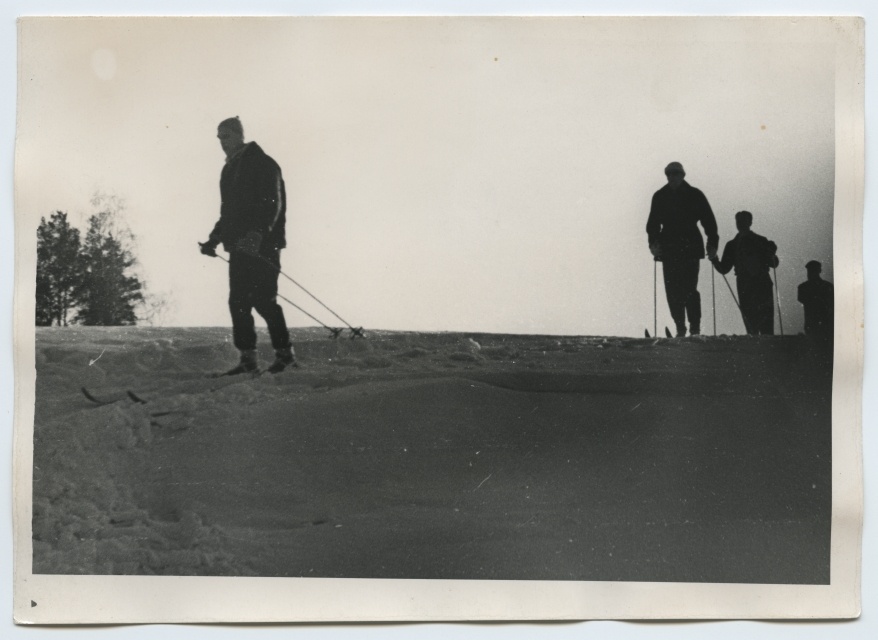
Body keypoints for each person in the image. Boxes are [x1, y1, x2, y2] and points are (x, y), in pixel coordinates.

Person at [199, 117, 296, 375]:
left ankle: (285, 355)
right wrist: (214, 239)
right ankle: (247, 359)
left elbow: (271, 204)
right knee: (238, 301)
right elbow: (228, 212)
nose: (222, 142)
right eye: (219, 137)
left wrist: (257, 234)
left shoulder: (262, 163)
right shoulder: (230, 169)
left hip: (262, 245)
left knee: (264, 301)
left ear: (239, 135)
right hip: (239, 247)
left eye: (226, 136)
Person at [646, 162, 719, 337]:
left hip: (689, 247)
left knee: (689, 289)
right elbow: (652, 224)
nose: (671, 177)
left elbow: (709, 221)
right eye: (669, 174)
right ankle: (680, 326)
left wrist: (712, 243)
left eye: (675, 174)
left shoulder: (695, 195)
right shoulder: (660, 196)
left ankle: (694, 326)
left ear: (682, 175)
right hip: (669, 248)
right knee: (672, 290)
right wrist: (653, 243)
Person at [710, 210, 779, 335]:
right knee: (755, 323)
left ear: (750, 222)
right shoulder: (752, 242)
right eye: (739, 220)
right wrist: (714, 259)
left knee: (760, 323)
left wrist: (714, 260)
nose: (740, 223)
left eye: (743, 220)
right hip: (752, 283)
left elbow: (774, 263)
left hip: (753, 284)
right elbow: (724, 268)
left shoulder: (736, 244)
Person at [797, 260, 834, 339]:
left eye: (812, 270)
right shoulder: (828, 286)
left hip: (816, 323)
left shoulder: (803, 287)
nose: (810, 273)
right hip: (821, 323)